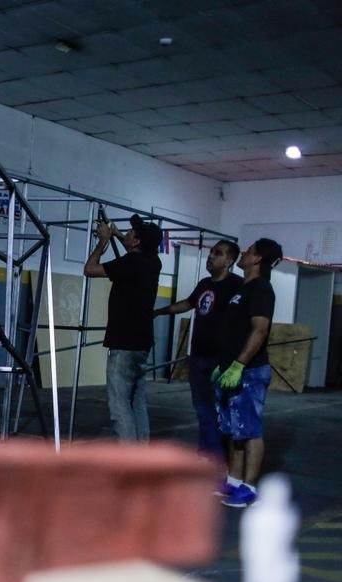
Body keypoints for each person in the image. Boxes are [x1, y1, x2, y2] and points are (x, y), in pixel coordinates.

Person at [154, 240, 242, 462]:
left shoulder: (236, 285)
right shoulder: (204, 284)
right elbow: (188, 303)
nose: (211, 256)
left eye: (218, 253)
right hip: (198, 357)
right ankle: (207, 454)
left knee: (220, 411)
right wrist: (159, 311)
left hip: (219, 360)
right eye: (212, 252)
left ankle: (220, 459)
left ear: (229, 261)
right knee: (202, 409)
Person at [214, 238, 283, 507]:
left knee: (250, 430)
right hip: (230, 370)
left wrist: (239, 364)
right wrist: (224, 366)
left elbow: (259, 330)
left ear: (257, 259)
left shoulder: (261, 289)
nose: (244, 253)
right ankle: (233, 480)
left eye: (250, 250)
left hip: (250, 372)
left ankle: (249, 488)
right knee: (234, 430)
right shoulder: (243, 288)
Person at [84, 214, 163, 441]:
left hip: (124, 343)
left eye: (130, 234)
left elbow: (90, 269)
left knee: (119, 406)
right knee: (137, 402)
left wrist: (103, 241)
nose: (126, 234)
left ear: (137, 242)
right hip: (142, 342)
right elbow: (135, 250)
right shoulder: (153, 262)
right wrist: (118, 235)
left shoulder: (130, 263)